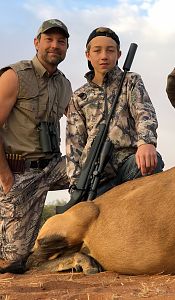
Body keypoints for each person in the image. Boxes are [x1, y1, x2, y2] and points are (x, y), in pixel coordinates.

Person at [0, 19, 72, 273]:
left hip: (53, 167)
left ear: (66, 47)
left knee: (103, 169)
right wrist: (6, 176)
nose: (55, 45)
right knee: (13, 261)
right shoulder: (14, 75)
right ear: (36, 42)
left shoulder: (65, 84)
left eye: (60, 41)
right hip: (20, 173)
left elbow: (82, 123)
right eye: (49, 39)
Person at [66, 26, 164, 198]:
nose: (104, 55)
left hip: (128, 163)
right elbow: (74, 143)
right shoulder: (78, 97)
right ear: (88, 55)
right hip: (96, 174)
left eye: (110, 50)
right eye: (97, 50)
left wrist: (147, 143)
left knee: (153, 161)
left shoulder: (130, 80)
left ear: (118, 54)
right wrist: (76, 185)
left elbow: (144, 113)